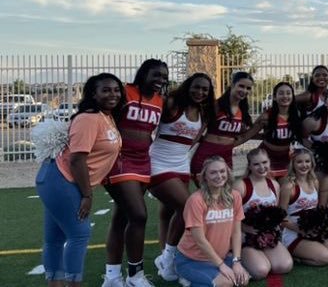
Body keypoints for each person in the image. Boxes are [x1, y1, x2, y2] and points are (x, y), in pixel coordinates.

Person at [37, 72, 124, 287]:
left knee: (55, 239)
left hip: (61, 179)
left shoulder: (106, 116)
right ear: (93, 94)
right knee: (79, 234)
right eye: (105, 90)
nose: (112, 94)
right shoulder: (88, 118)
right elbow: (77, 159)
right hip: (61, 178)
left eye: (116, 89)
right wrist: (87, 194)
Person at [104, 59, 168, 287]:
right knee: (139, 215)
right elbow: (103, 114)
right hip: (120, 161)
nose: (160, 80)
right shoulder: (125, 92)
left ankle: (112, 277)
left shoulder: (161, 101)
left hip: (143, 162)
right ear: (143, 74)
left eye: (163, 76)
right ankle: (135, 276)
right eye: (155, 75)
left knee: (122, 217)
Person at [150, 73, 214, 282]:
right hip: (158, 164)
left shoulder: (204, 114)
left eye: (205, 89)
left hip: (181, 165)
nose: (200, 92)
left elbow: (191, 141)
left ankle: (164, 257)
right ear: (188, 86)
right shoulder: (171, 104)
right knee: (187, 208)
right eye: (196, 87)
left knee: (167, 212)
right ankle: (168, 258)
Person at [175, 156, 250, 287]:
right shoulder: (196, 200)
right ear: (205, 177)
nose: (219, 176)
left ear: (228, 173)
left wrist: (236, 261)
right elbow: (200, 240)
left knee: (242, 280)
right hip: (192, 260)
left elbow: (236, 233)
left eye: (222, 171)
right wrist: (221, 266)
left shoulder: (235, 196)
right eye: (213, 172)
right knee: (227, 282)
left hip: (220, 257)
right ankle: (188, 279)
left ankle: (203, 280)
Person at [233, 150, 293, 280]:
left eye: (265, 162)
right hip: (246, 236)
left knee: (284, 266)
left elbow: (276, 215)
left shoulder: (275, 185)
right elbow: (230, 217)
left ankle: (261, 257)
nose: (261, 167)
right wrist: (245, 228)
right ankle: (239, 258)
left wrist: (273, 230)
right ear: (249, 166)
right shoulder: (241, 185)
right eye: (256, 164)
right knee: (261, 271)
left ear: (269, 162)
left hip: (267, 236)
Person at [190, 71, 254, 175]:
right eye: (241, 86)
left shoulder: (243, 112)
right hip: (206, 154)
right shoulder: (216, 106)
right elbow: (199, 131)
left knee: (225, 189)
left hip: (226, 156)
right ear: (232, 85)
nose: (244, 90)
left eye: (248, 88)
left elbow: (243, 135)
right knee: (205, 190)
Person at [279, 149, 328, 266]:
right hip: (294, 231)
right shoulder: (289, 186)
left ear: (312, 163)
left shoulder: (314, 182)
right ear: (292, 164)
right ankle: (293, 254)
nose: (304, 165)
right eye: (299, 162)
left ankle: (306, 251)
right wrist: (301, 230)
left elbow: (317, 210)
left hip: (312, 229)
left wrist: (318, 226)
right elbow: (280, 219)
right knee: (325, 257)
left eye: (307, 161)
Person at [250, 82, 301, 180]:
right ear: (274, 97)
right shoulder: (266, 116)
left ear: (292, 96)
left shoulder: (297, 115)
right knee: (271, 189)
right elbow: (250, 134)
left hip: (286, 157)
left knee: (286, 189)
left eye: (288, 93)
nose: (285, 96)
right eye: (281, 93)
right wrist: (266, 136)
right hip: (267, 157)